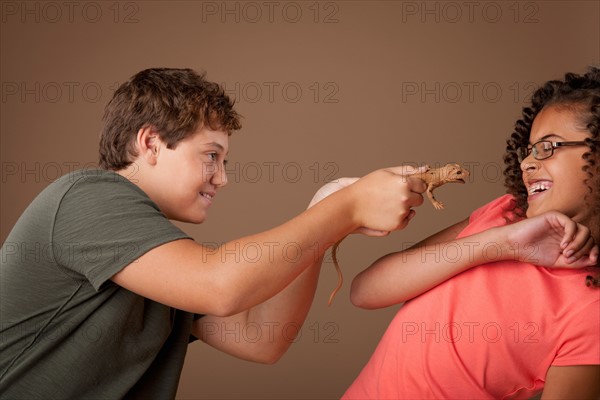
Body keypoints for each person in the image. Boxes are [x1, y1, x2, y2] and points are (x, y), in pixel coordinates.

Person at [0, 68, 428, 398]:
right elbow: (219, 284)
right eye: (211, 156)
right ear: (150, 144)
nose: (221, 178)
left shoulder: (155, 259)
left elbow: (262, 337)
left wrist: (326, 208)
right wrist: (346, 208)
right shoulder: (86, 198)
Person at [342, 67, 600, 399]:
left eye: (548, 148)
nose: (527, 164)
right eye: (529, 150)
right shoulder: (504, 214)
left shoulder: (592, 311)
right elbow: (364, 291)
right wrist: (502, 242)